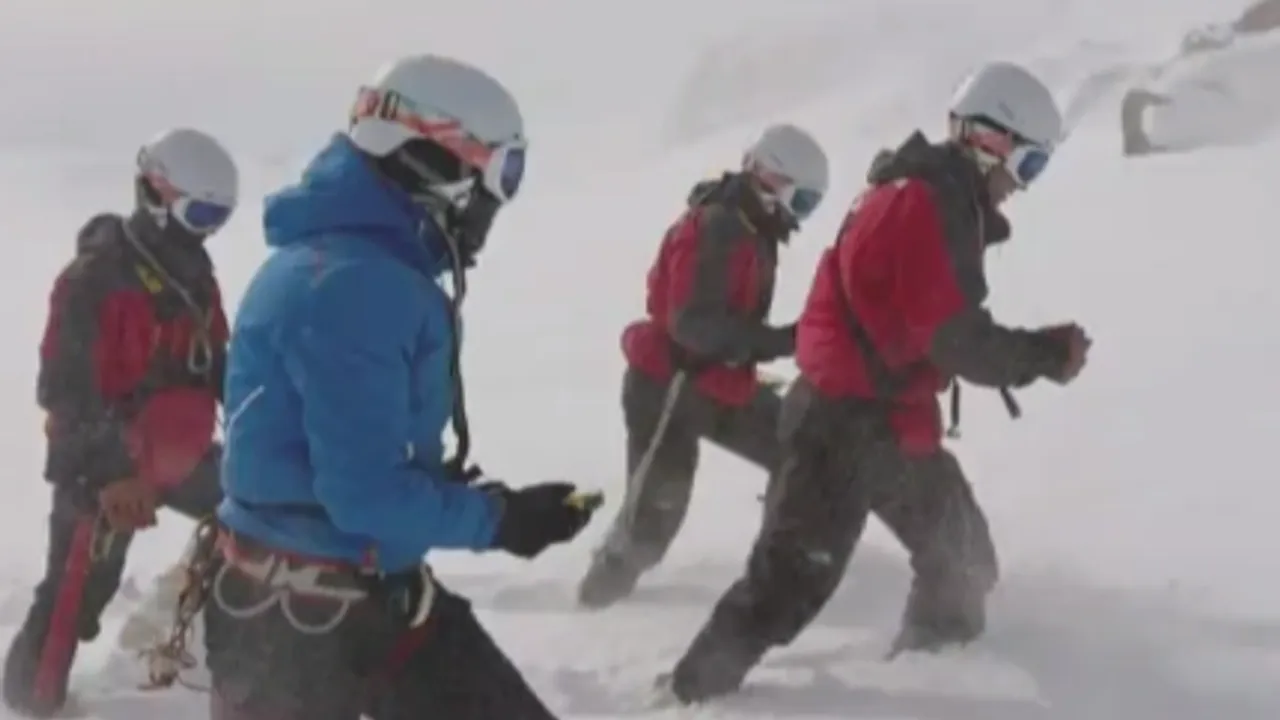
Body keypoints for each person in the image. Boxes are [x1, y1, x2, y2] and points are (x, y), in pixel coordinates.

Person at [663, 61, 1092, 704]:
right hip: (840, 426)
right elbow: (953, 338)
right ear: (989, 140)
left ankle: (932, 672)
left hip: (887, 423)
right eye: (1028, 165)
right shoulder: (921, 203)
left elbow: (936, 327)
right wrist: (1047, 355)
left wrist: (1034, 353)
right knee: (789, 584)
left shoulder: (938, 199)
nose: (1022, 185)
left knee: (963, 555)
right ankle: (691, 696)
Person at [200, 53, 601, 720]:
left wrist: (456, 496)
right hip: (307, 627)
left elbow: (339, 456)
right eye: (500, 173)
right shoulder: (357, 286)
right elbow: (364, 495)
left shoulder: (336, 265)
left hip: (333, 599)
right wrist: (501, 521)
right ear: (435, 163)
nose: (497, 203)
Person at [2, 128, 236, 718]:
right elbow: (66, 390)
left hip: (178, 456)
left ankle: (220, 660)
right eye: (201, 214)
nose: (208, 231)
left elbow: (220, 365)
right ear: (157, 196)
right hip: (105, 465)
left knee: (256, 512)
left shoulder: (196, 280)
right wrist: (112, 475)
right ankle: (30, 704)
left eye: (219, 217)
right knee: (76, 595)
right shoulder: (94, 280)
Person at [576, 124, 829, 610]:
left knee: (796, 448)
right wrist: (782, 341)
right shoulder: (721, 227)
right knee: (654, 515)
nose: (800, 215)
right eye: (801, 201)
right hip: (669, 386)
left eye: (810, 205)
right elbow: (693, 326)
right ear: (771, 178)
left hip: (715, 382)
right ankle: (595, 606)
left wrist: (770, 346)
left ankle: (781, 568)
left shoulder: (751, 226)